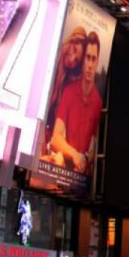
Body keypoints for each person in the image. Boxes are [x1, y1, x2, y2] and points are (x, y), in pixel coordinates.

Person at [49, 32, 102, 174]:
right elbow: (55, 138)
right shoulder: (69, 91)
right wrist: (75, 155)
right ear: (83, 60)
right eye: (87, 58)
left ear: (97, 62)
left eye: (93, 59)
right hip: (62, 171)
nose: (90, 65)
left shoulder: (98, 102)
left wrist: (87, 158)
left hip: (82, 180)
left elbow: (96, 145)